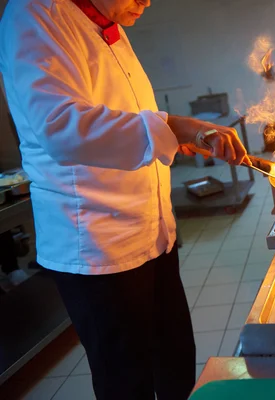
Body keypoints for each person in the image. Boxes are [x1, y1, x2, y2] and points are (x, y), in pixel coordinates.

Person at [0, 0, 250, 399]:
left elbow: (126, 112)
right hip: (100, 247)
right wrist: (171, 127)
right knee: (127, 383)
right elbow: (61, 127)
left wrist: (170, 138)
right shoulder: (36, 12)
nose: (146, 1)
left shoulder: (106, 21)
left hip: (152, 235)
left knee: (176, 363)